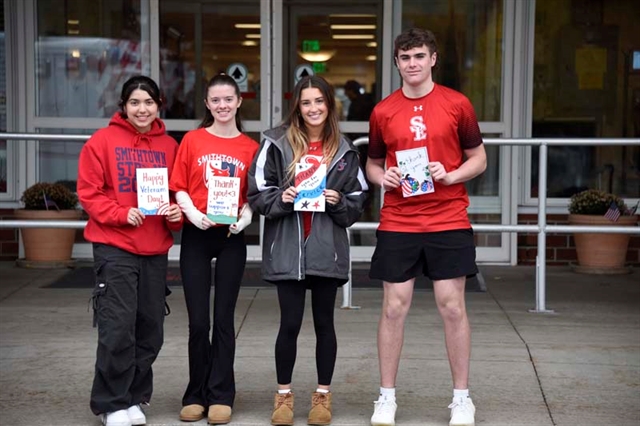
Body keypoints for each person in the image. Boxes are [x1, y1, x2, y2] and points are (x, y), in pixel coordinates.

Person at [366, 28, 487, 426]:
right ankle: (386, 398)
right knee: (393, 308)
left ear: (433, 59)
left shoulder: (457, 104)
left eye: (419, 56)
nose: (412, 63)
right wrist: (383, 178)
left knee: (452, 307)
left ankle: (462, 398)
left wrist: (451, 175)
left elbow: (479, 158)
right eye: (405, 58)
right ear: (397, 63)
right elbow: (373, 163)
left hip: (448, 216)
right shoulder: (383, 110)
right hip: (399, 220)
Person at [247, 75, 368, 426]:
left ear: (329, 104)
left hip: (326, 249)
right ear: (297, 107)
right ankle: (283, 396)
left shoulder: (344, 149)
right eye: (306, 102)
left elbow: (359, 201)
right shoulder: (275, 142)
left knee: (325, 325)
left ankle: (323, 396)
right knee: (289, 324)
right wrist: (280, 198)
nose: (313, 108)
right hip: (288, 249)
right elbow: (256, 191)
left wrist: (339, 200)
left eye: (319, 101)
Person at [77, 75, 183, 426]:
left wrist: (174, 214)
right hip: (115, 247)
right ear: (123, 106)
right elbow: (89, 193)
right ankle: (111, 402)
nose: (142, 109)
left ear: (158, 105)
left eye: (148, 102)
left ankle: (135, 396)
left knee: (150, 328)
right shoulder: (102, 142)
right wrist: (121, 214)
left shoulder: (169, 146)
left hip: (154, 249)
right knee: (117, 328)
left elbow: (176, 195)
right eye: (135, 102)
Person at [169, 73, 258, 425]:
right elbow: (179, 185)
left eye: (228, 99)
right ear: (207, 104)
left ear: (238, 102)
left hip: (232, 236)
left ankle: (221, 394)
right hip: (197, 234)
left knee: (223, 319)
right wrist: (192, 213)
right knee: (197, 321)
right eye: (215, 100)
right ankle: (195, 393)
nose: (222, 105)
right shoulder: (192, 140)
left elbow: (256, 193)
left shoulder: (251, 147)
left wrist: (246, 217)